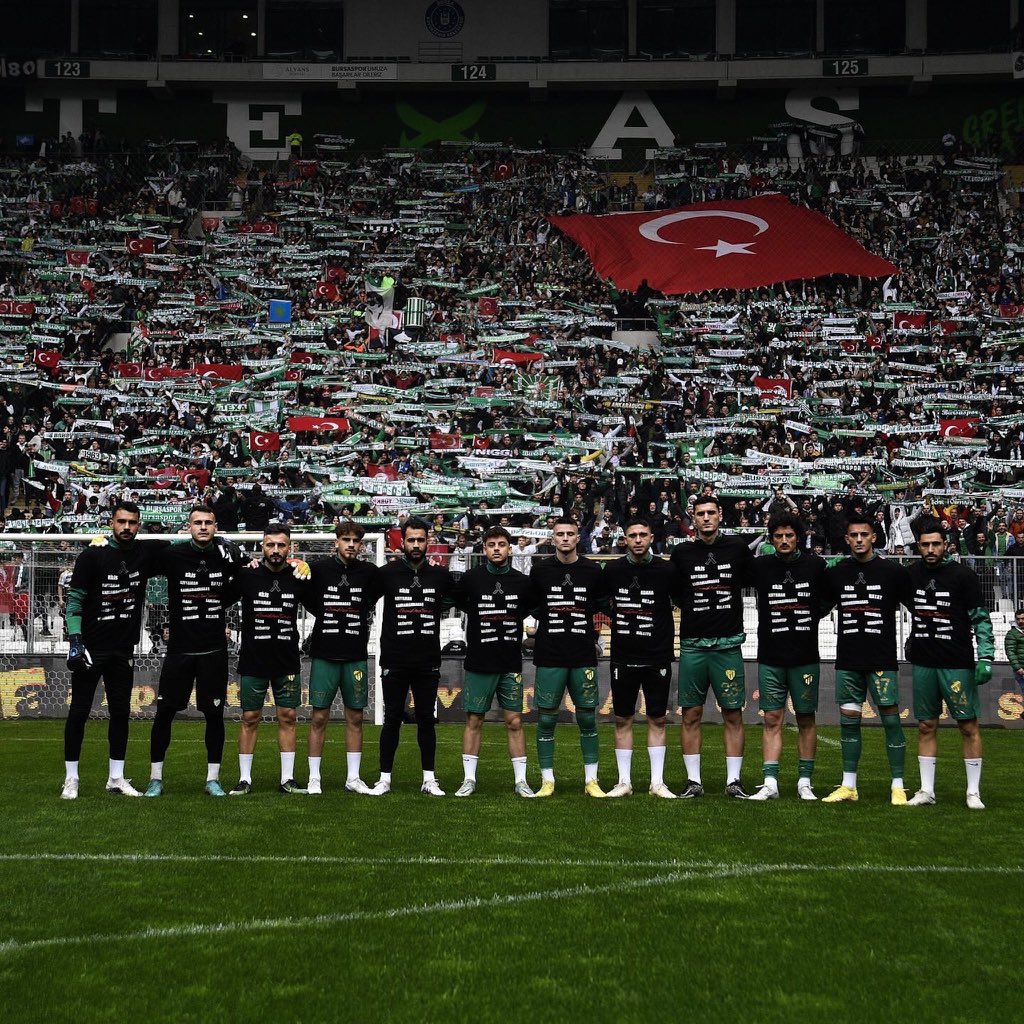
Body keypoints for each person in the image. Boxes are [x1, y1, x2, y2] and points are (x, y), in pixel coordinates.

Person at [61, 501, 162, 799]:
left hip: (123, 650)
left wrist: (221, 541)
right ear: (111, 523)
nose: (127, 527)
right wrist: (76, 641)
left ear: (139, 525)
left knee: (120, 713)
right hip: (92, 648)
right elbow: (75, 601)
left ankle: (116, 777)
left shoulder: (145, 553)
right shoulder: (92, 555)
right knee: (79, 712)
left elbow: (183, 545)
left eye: (132, 522)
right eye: (122, 522)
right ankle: (71, 778)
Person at [144, 505, 241, 798]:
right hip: (179, 651)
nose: (203, 527)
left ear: (216, 526)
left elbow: (254, 571)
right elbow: (137, 554)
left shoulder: (226, 557)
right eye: (197, 522)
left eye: (208, 522)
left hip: (214, 650)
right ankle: (155, 779)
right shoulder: (173, 554)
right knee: (164, 714)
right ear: (188, 526)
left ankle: (213, 779)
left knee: (214, 716)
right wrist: (101, 542)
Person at [821, 513, 911, 804]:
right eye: (853, 535)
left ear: (874, 537)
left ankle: (898, 785)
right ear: (846, 539)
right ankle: (849, 786)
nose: (859, 540)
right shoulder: (837, 573)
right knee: (848, 722)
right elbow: (817, 609)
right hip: (848, 660)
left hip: (882, 660)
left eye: (864, 535)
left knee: (891, 721)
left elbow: (918, 607)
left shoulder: (893, 572)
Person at [904, 518, 994, 809]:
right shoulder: (911, 574)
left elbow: (980, 618)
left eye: (936, 544)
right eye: (925, 544)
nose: (930, 549)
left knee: (968, 725)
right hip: (923, 663)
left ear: (946, 545)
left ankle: (973, 792)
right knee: (926, 725)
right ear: (918, 546)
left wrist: (987, 656)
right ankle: (927, 791)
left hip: (957, 662)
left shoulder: (963, 576)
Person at [669, 495, 753, 798]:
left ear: (721, 516)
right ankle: (694, 781)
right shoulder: (682, 553)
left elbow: (750, 581)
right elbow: (678, 595)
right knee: (690, 714)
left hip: (728, 645)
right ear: (693, 518)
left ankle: (734, 781)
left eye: (711, 513)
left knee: (733, 714)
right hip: (693, 644)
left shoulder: (738, 549)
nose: (706, 518)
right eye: (700, 513)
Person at [747, 511, 827, 801]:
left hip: (805, 655)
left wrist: (811, 617)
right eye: (778, 536)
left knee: (806, 718)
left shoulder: (816, 566)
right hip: (770, 655)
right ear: (771, 539)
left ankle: (804, 782)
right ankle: (770, 782)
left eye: (789, 535)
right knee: (771, 718)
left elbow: (829, 597)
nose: (784, 540)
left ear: (798, 537)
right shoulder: (761, 566)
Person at [371, 516, 453, 796]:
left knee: (426, 719)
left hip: (428, 660)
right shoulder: (387, 574)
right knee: (392, 718)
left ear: (428, 541)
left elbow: (461, 599)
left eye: (421, 540)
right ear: (402, 542)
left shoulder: (441, 576)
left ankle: (429, 779)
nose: (416, 545)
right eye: (411, 540)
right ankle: (384, 779)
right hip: (394, 659)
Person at [451, 525, 535, 797]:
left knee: (515, 721)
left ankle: (521, 781)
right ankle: (469, 780)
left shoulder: (522, 582)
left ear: (510, 549)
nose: (497, 549)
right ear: (484, 549)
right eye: (491, 544)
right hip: (479, 661)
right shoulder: (471, 579)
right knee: (474, 720)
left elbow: (526, 611)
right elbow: (462, 604)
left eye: (501, 544)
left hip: (510, 662)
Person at [228, 523, 312, 795]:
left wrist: (310, 568)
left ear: (290, 548)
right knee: (250, 717)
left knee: (288, 716)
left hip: (287, 659)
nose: (275, 550)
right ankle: (244, 779)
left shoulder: (299, 576)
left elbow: (322, 601)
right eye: (270, 545)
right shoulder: (247, 575)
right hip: (253, 659)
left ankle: (287, 779)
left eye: (281, 545)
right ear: (262, 546)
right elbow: (220, 594)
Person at [530, 517, 609, 797]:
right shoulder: (539, 571)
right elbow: (534, 606)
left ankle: (591, 781)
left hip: (582, 655)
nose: (565, 538)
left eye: (570, 534)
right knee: (547, 719)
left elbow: (600, 606)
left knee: (587, 718)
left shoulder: (592, 570)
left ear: (578, 538)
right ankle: (547, 781)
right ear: (552, 538)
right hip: (549, 655)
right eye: (559, 534)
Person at [602, 517, 679, 799]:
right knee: (623, 718)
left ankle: (657, 782)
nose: (637, 540)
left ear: (651, 537)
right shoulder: (612, 569)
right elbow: (600, 600)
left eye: (642, 535)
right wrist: (619, 619)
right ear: (624, 538)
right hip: (623, 656)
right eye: (632, 535)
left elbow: (681, 598)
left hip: (657, 655)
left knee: (657, 718)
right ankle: (624, 781)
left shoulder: (667, 569)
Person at [305, 520, 378, 795]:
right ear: (336, 541)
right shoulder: (318, 569)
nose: (350, 544)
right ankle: (314, 778)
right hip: (324, 653)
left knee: (355, 717)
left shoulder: (369, 572)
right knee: (319, 717)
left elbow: (371, 600)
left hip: (355, 655)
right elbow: (306, 596)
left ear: (361, 545)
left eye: (355, 541)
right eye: (345, 539)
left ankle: (353, 778)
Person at [1006, 608, 1024, 706]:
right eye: (1018, 619)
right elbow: (1010, 651)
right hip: (1021, 669)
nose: (1020, 621)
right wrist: (1018, 668)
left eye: (1023, 618)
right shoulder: (1012, 634)